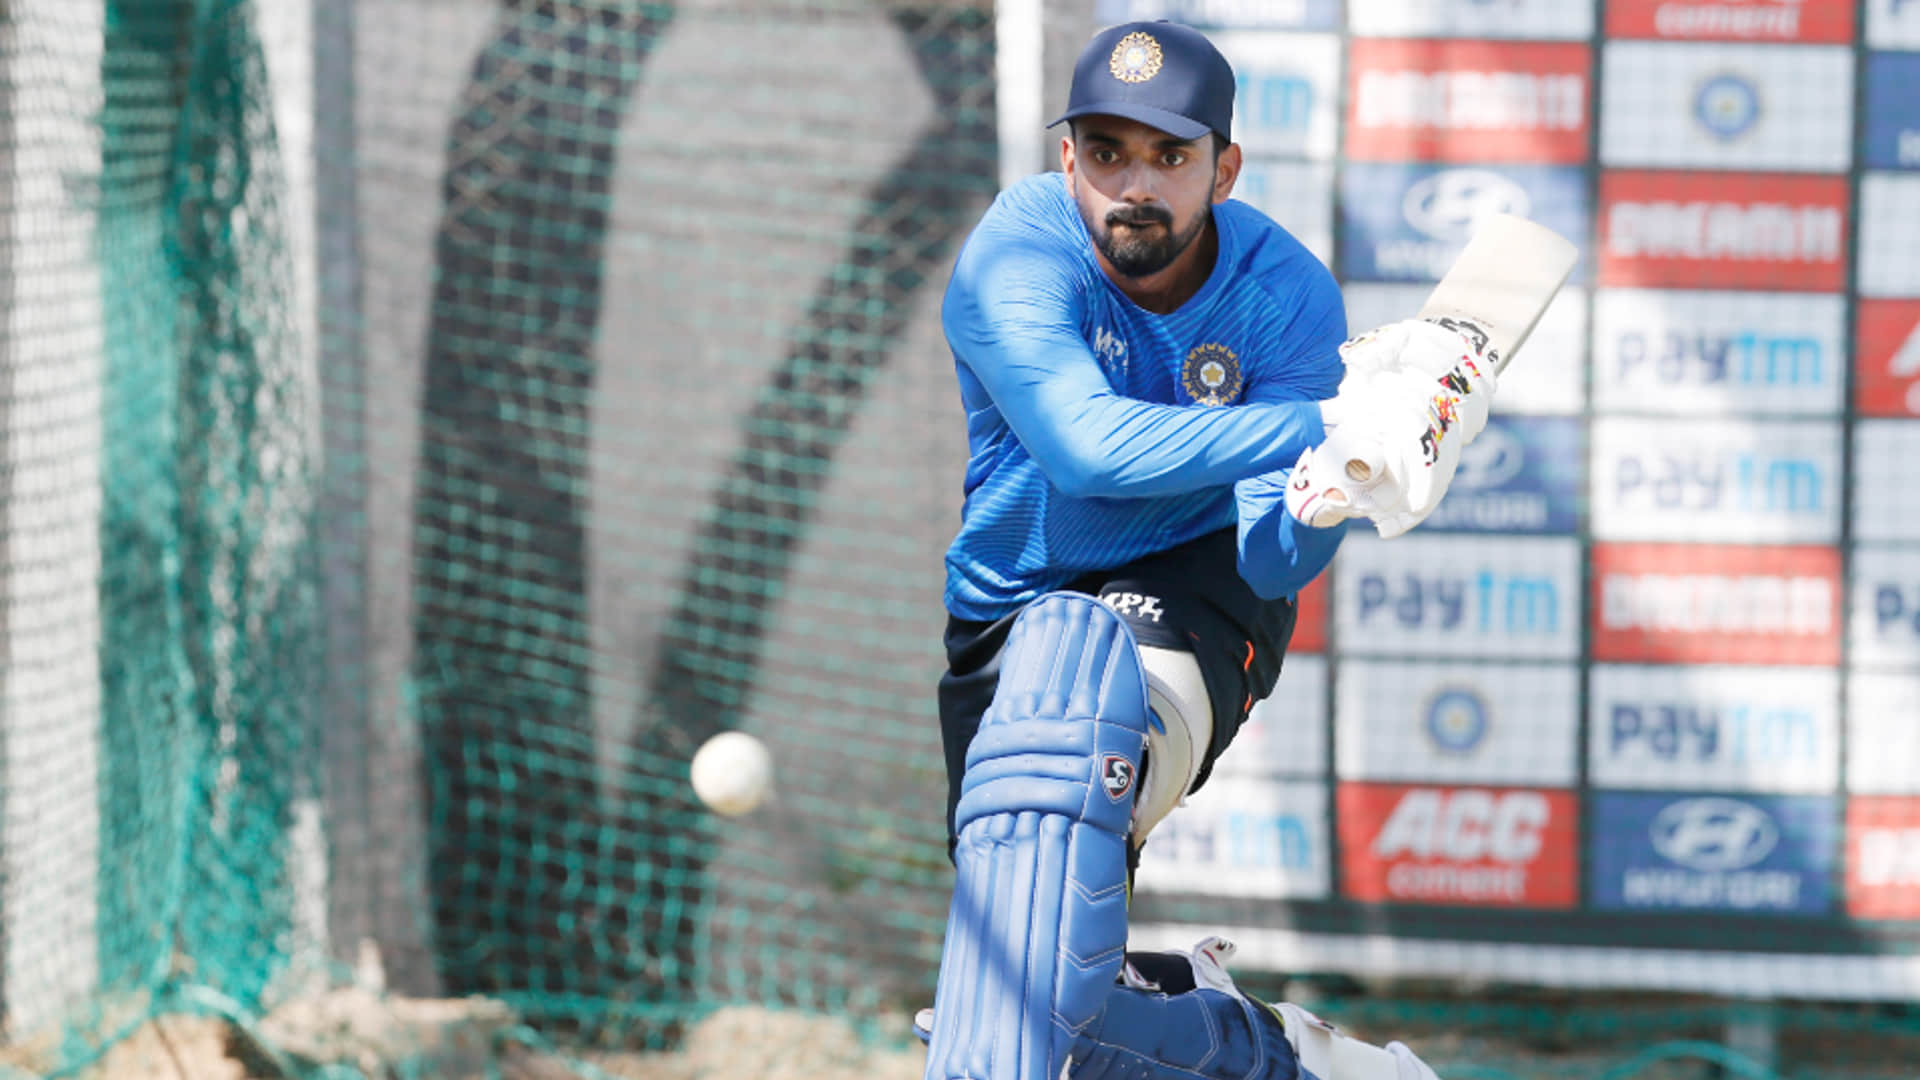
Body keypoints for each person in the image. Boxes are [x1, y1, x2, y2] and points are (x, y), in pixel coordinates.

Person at [917, 18, 1495, 1080]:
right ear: (1066, 161)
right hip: (1009, 598)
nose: (1133, 184)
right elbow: (1086, 451)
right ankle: (1288, 1060)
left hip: (1198, 581)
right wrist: (1330, 419)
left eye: (1170, 156)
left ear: (1224, 169)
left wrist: (1332, 493)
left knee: (1063, 716)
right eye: (1106, 152)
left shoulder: (1284, 295)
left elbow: (1273, 564)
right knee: (1023, 1026)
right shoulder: (1017, 251)